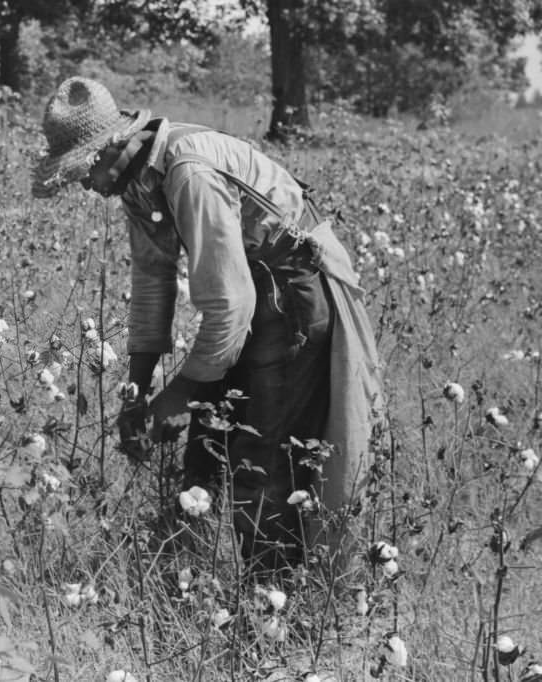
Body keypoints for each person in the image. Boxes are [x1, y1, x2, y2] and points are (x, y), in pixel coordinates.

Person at [31, 76, 381, 572]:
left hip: (291, 293)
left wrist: (177, 395)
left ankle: (277, 604)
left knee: (260, 447)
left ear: (113, 145)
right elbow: (152, 282)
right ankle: (193, 573)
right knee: (210, 438)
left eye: (83, 170)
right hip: (256, 294)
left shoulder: (188, 171)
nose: (85, 184)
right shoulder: (136, 178)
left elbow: (231, 305)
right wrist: (139, 387)